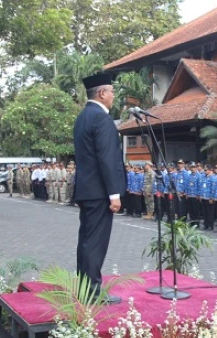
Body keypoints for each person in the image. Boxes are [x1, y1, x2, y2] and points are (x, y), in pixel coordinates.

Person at [73, 73, 125, 303]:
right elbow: (107, 158)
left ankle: (84, 287)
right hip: (99, 192)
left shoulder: (83, 116)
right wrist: (114, 194)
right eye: (112, 92)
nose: (114, 96)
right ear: (102, 93)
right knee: (95, 242)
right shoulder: (102, 118)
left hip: (87, 190)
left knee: (86, 239)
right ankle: (93, 292)